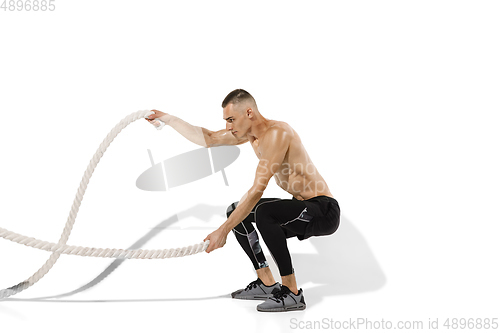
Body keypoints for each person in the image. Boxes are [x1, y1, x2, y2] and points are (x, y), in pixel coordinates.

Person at [146, 89, 340, 312]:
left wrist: (222, 231)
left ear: (249, 113)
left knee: (264, 211)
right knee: (236, 211)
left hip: (323, 210)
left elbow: (257, 190)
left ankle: (293, 293)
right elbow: (209, 138)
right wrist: (169, 119)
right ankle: (267, 283)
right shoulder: (251, 136)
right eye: (226, 121)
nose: (228, 126)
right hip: (301, 207)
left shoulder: (278, 133)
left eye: (231, 119)